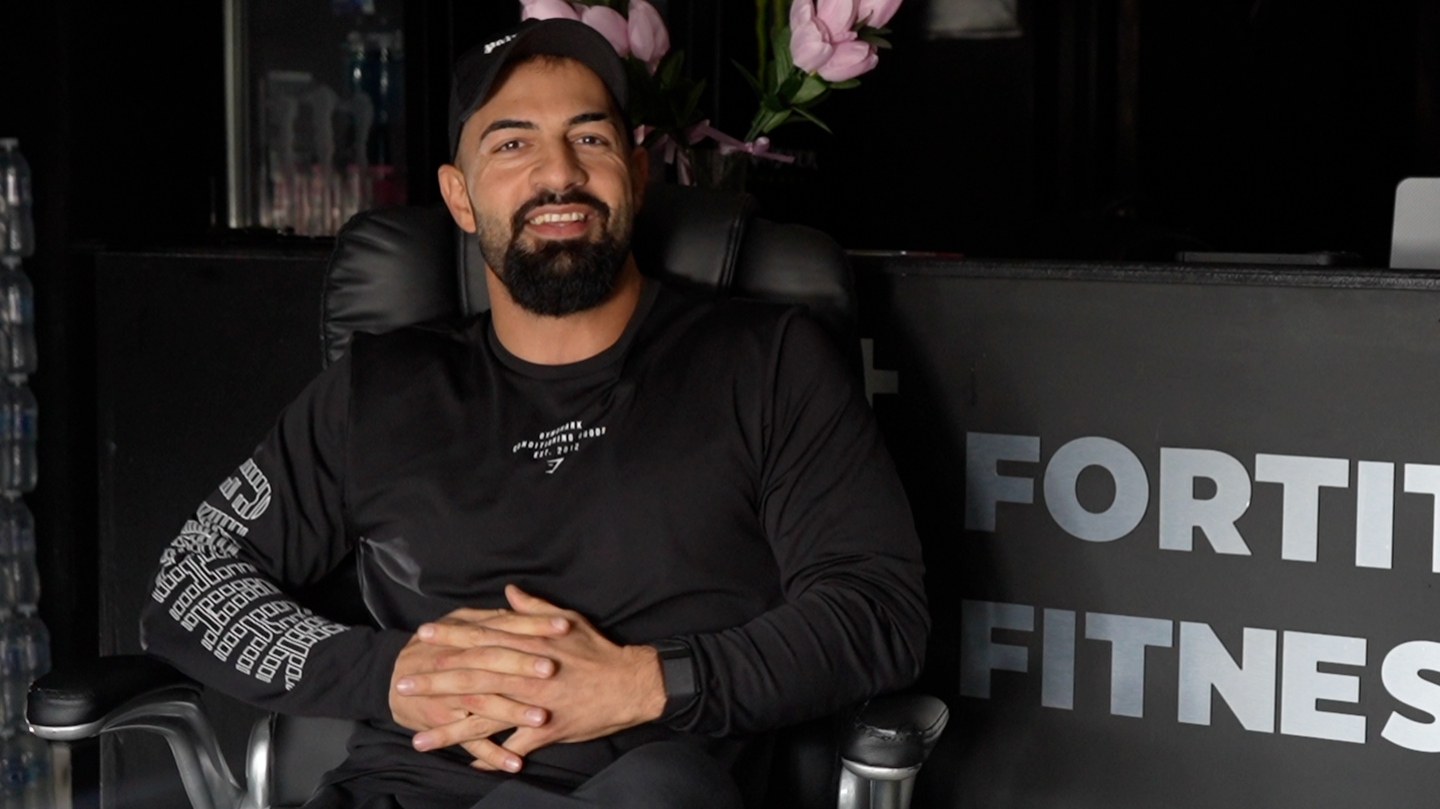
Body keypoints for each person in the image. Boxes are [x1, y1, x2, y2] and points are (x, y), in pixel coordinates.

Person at [140, 17, 927, 809]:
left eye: (589, 139)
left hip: (650, 786)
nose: (559, 175)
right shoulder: (378, 388)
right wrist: (393, 674)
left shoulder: (767, 363)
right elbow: (190, 584)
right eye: (512, 145)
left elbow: (878, 610)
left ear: (636, 172)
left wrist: (650, 680)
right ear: (460, 195)